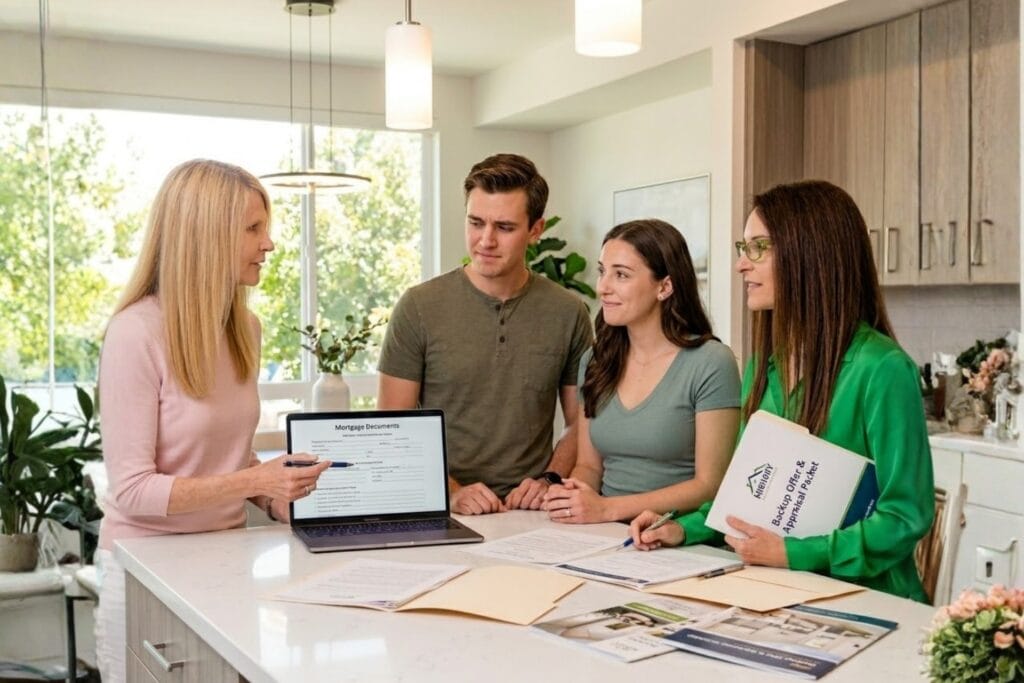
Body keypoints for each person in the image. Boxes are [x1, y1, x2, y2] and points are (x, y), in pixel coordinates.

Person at [629, 180, 934, 602]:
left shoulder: (882, 369)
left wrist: (794, 553)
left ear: (809, 255)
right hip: (781, 588)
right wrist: (682, 528)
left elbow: (904, 517)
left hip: (869, 600)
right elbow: (745, 494)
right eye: (743, 247)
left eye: (758, 248)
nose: (741, 265)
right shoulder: (764, 366)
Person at [95, 159, 331, 682]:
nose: (269, 244)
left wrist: (276, 499)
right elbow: (132, 490)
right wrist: (256, 479)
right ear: (205, 235)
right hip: (145, 570)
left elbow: (228, 455)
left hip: (224, 564)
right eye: (253, 228)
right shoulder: (135, 334)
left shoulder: (245, 327)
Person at [377, 153, 593, 515]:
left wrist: (549, 480)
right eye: (476, 223)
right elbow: (393, 427)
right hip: (440, 506)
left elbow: (580, 423)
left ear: (536, 230)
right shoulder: (418, 306)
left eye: (505, 227)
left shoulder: (568, 312)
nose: (485, 240)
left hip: (532, 513)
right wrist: (452, 492)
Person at [541, 219, 740, 524]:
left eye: (620, 275)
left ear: (665, 286)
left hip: (677, 538)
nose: (602, 287)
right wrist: (573, 493)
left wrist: (609, 508)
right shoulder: (596, 360)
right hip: (604, 533)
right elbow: (589, 467)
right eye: (602, 271)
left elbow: (710, 486)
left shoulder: (711, 363)